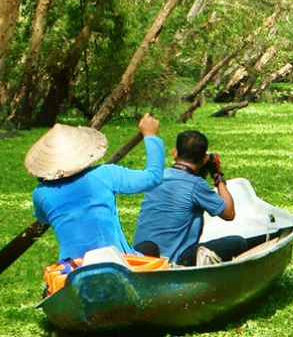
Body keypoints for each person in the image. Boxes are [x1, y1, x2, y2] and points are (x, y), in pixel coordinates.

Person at [25, 114, 165, 263]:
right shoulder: (105, 174)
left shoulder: (40, 194)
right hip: (118, 263)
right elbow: (153, 177)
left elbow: (42, 218)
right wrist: (150, 136)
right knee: (150, 247)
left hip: (73, 268)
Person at [132, 130, 251, 267]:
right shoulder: (196, 185)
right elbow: (229, 213)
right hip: (172, 262)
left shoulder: (157, 178)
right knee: (239, 242)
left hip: (141, 256)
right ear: (205, 159)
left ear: (175, 152)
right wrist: (218, 177)